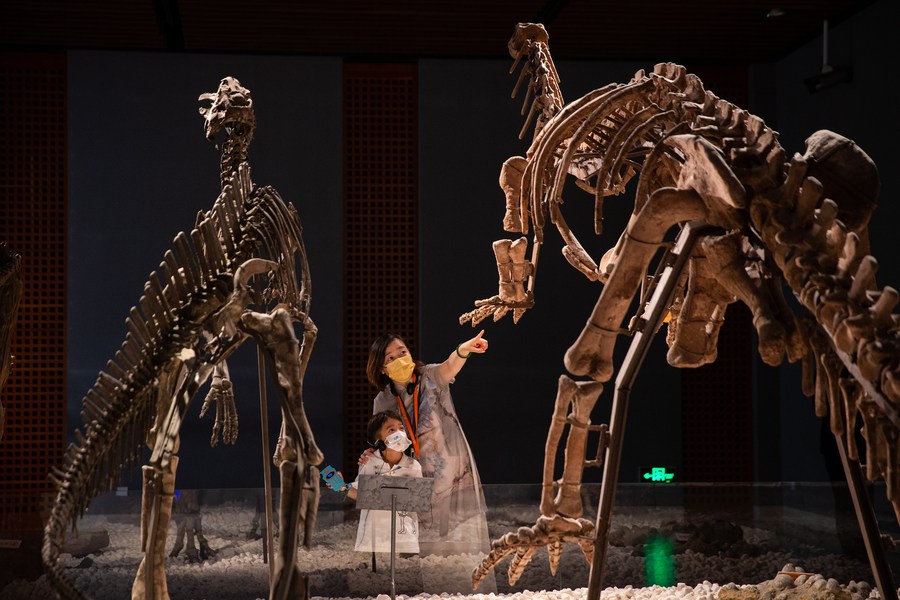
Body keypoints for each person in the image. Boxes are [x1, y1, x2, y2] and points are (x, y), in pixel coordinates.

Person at [364, 330, 491, 557]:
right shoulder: (383, 400)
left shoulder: (429, 376)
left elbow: (450, 366)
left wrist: (463, 350)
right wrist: (373, 454)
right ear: (382, 368)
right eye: (390, 358)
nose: (399, 359)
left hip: (451, 466)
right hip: (413, 471)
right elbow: (380, 439)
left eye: (402, 352)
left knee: (459, 538)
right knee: (420, 540)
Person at [346, 410, 423, 555]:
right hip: (375, 538)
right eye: (391, 430)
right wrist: (340, 486)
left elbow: (418, 501)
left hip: (405, 538)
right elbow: (360, 493)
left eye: (401, 428)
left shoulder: (413, 466)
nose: (399, 433)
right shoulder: (369, 462)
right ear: (379, 441)